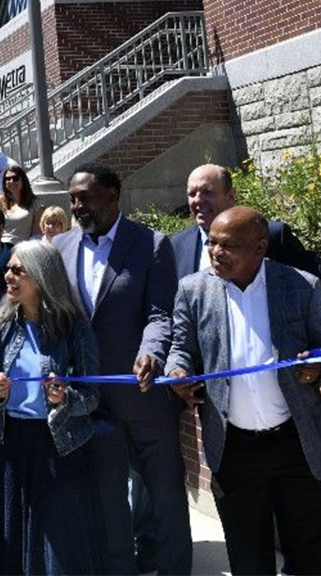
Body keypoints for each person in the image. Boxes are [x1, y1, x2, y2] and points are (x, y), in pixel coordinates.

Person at [165, 207, 321, 575]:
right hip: (234, 448)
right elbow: (182, 347)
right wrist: (177, 370)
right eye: (212, 242)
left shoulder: (300, 285)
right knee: (248, 557)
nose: (215, 252)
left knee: (315, 553)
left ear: (260, 247)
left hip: (299, 443)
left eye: (227, 245)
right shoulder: (194, 289)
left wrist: (318, 366)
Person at [55, 162, 192, 574]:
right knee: (108, 500)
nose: (77, 206)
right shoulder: (60, 248)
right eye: (72, 198)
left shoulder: (150, 244)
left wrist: (151, 352)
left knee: (165, 496)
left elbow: (160, 313)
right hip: (90, 402)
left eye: (86, 197)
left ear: (113, 196)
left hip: (143, 396)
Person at [0, 241, 107, 574]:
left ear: (41, 275)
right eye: (8, 268)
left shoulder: (74, 329)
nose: (8, 275)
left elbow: (92, 395)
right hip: (11, 444)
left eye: (18, 270)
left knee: (59, 544)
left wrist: (64, 399)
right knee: (15, 535)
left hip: (59, 447)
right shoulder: (2, 325)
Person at [170, 164, 321, 281]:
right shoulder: (178, 245)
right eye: (192, 194)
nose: (197, 200)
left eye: (207, 192)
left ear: (230, 196)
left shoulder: (272, 236)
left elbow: (317, 284)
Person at [0, 164, 39, 243]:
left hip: (22, 250)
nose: (11, 181)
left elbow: (36, 235)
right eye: (8, 179)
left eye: (15, 178)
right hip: (2, 248)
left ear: (23, 181)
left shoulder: (35, 204)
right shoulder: (0, 202)